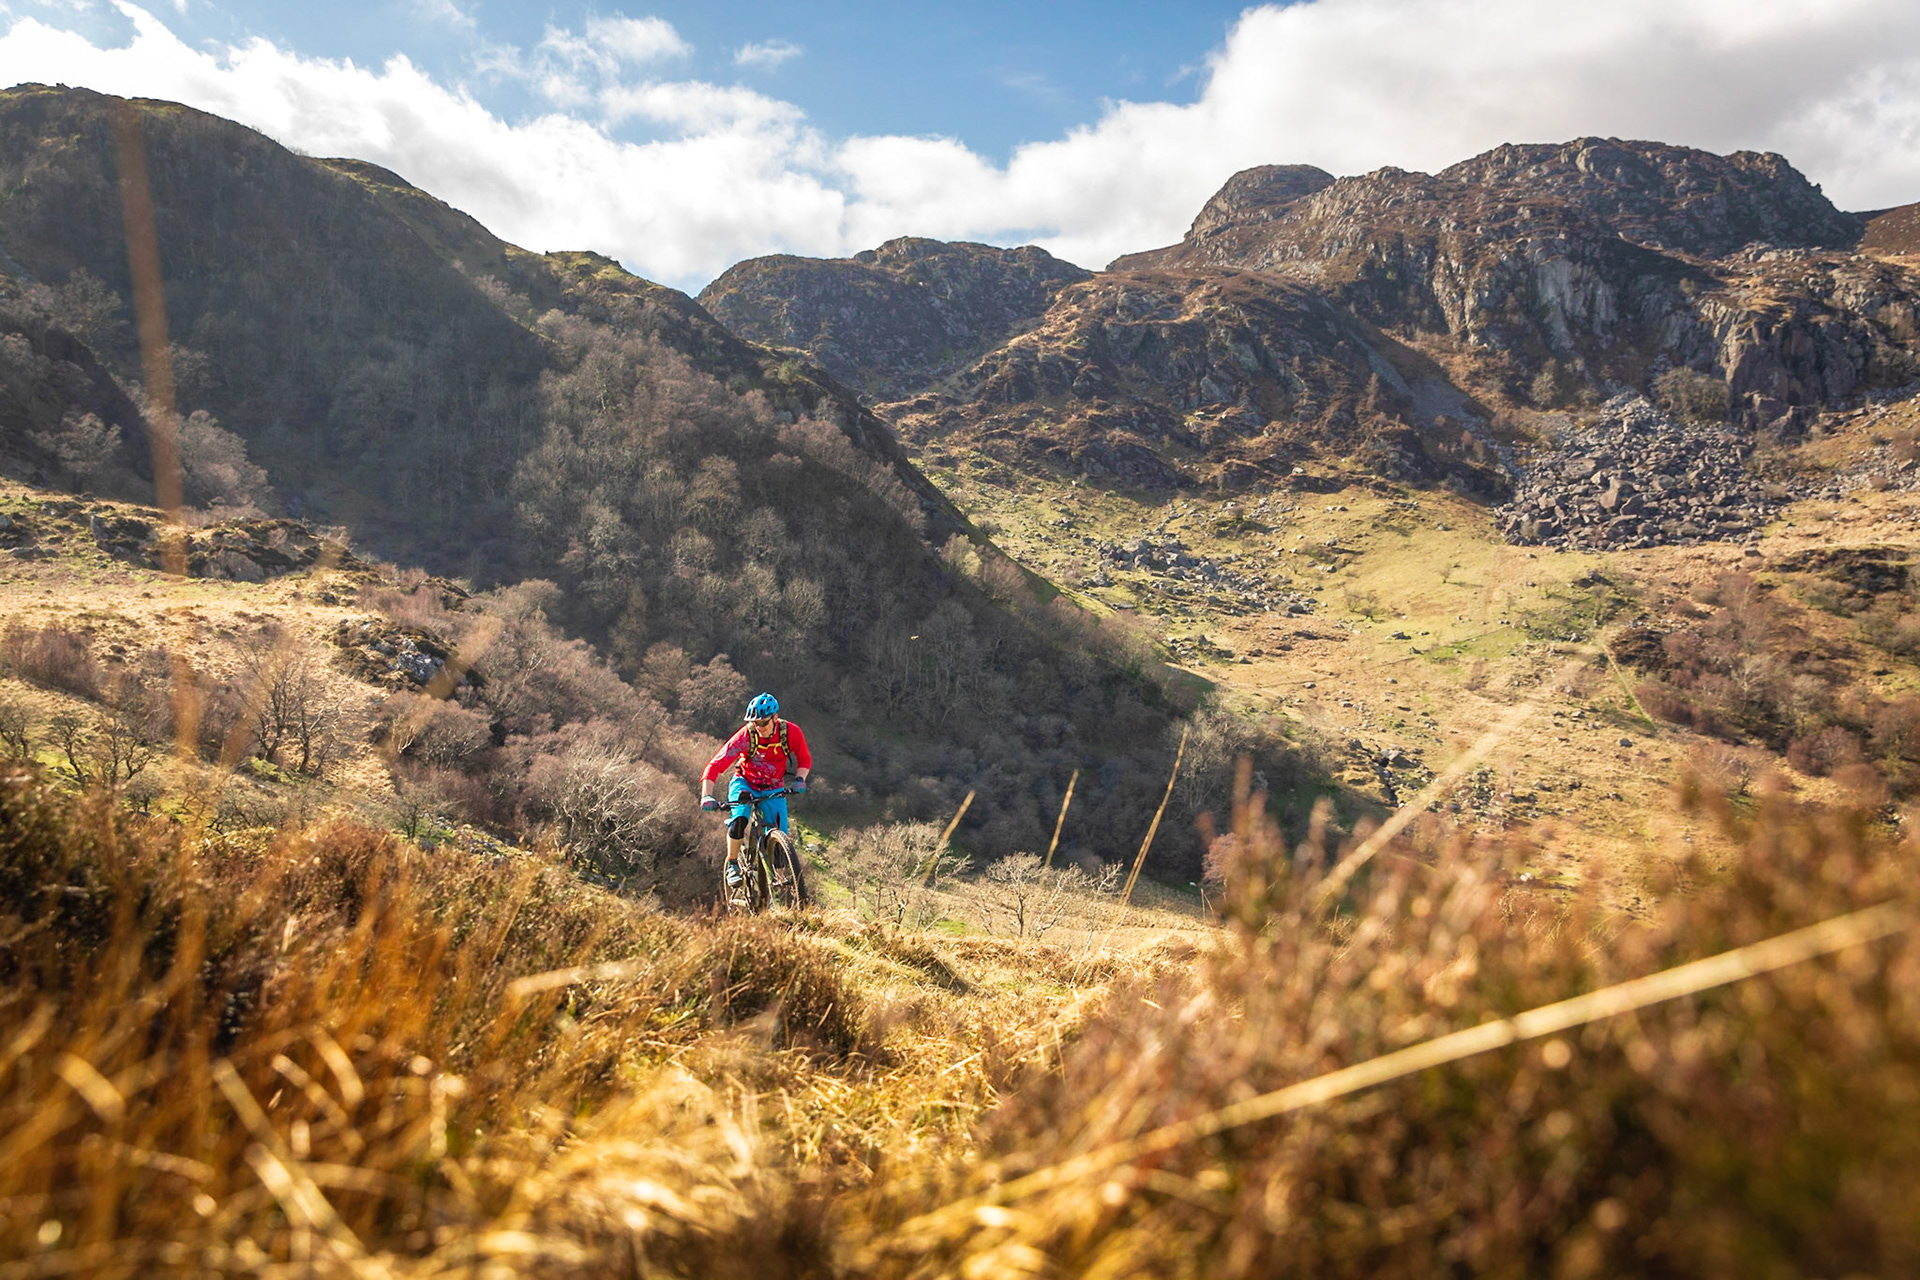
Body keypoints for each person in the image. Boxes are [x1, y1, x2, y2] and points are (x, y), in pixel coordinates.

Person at [700, 693, 811, 891]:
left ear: (775, 718)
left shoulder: (791, 733)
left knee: (780, 838)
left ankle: (780, 887)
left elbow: (804, 759)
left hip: (773, 786)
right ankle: (732, 863)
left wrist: (800, 779)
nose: (759, 727)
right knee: (740, 819)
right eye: (755, 723)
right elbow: (716, 765)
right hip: (745, 782)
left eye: (763, 723)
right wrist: (706, 795)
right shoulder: (746, 736)